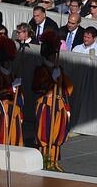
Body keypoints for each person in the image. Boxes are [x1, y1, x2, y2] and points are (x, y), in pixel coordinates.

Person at [32, 41, 74, 171]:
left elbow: (68, 88)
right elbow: (37, 88)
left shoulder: (58, 69)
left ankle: (54, 161)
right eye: (52, 54)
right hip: (46, 104)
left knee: (58, 134)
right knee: (45, 134)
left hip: (58, 105)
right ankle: (45, 161)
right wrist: (52, 80)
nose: (55, 57)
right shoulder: (41, 70)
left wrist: (59, 76)